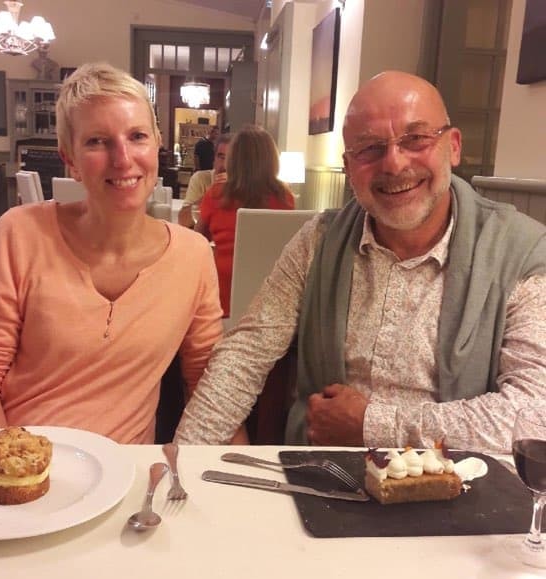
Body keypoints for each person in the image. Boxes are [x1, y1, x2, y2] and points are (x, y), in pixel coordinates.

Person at [174, 71, 546, 453]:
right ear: (349, 167)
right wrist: (178, 466)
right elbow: (245, 354)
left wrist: (371, 425)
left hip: (462, 492)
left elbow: (535, 416)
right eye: (369, 148)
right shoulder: (317, 240)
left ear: (452, 146)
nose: (395, 164)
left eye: (415, 138)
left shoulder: (520, 251)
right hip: (324, 479)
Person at [0, 62, 224, 444]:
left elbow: (207, 382)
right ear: (71, 161)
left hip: (126, 476)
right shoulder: (19, 233)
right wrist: (13, 466)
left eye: (137, 136)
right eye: (97, 141)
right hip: (21, 463)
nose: (123, 159)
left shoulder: (193, 255)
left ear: (157, 143)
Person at [195, 124, 295, 317]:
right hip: (270, 296)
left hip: (224, 295)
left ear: (234, 159)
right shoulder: (285, 198)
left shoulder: (216, 195)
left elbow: (197, 241)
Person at [178, 133, 231, 228]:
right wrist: (212, 194)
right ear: (214, 159)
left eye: (231, 159)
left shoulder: (246, 185)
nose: (225, 164)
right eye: (221, 157)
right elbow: (183, 221)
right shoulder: (201, 179)